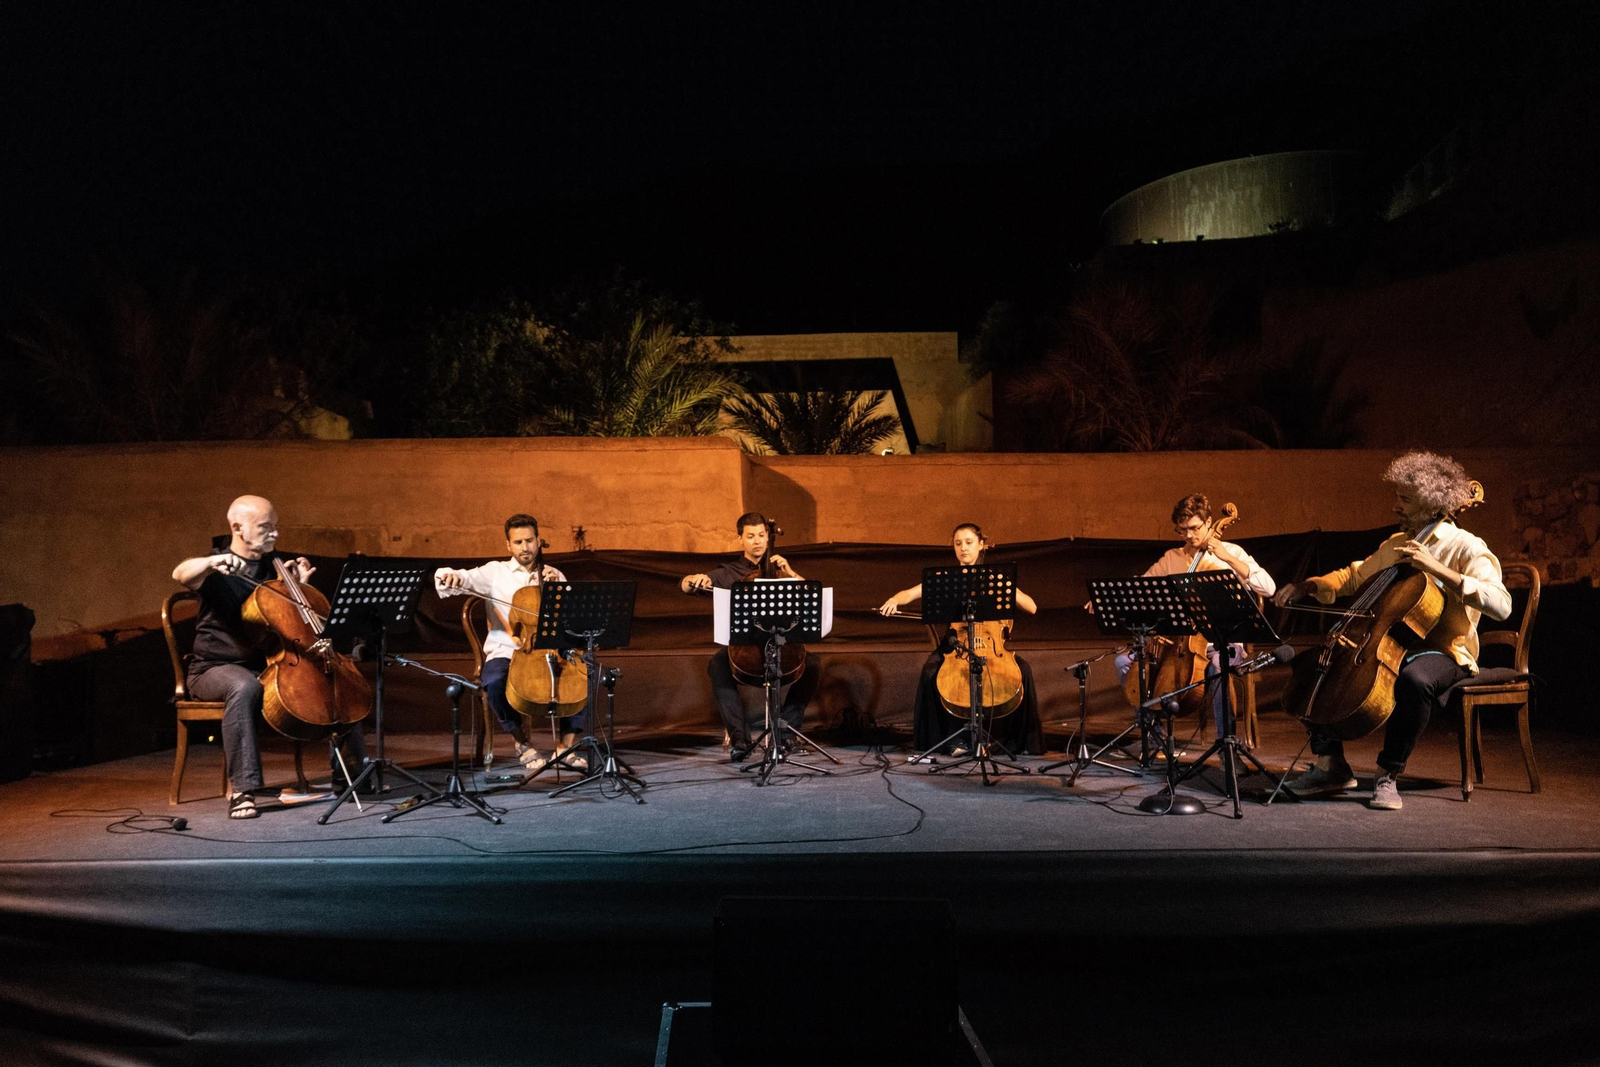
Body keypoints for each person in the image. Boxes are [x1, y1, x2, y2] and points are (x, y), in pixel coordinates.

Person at [1274, 452, 1510, 810]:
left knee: (1415, 679)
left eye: (1405, 500)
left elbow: (1502, 605)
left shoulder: (1466, 546)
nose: (1395, 506)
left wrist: (1439, 570)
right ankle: (1330, 765)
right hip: (1390, 643)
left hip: (1446, 651)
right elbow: (1354, 576)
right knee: (1314, 665)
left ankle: (1388, 773)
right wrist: (1309, 585)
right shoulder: (1397, 544)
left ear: (1433, 505)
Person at [172, 494, 367, 819]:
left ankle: (352, 775)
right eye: (265, 527)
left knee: (337, 677)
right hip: (215, 669)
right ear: (237, 527)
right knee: (244, 686)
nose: (274, 533)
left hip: (267, 665)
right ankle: (243, 789)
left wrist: (299, 589)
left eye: (275, 526)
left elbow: (290, 624)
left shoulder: (274, 568)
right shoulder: (217, 566)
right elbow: (181, 574)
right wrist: (210, 563)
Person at [1104, 494, 1276, 754]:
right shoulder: (1172, 557)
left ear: (1209, 522)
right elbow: (1144, 586)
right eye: (1182, 530)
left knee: (1219, 667)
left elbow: (1269, 588)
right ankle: (1153, 735)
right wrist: (1112, 599)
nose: (1189, 535)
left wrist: (1228, 558)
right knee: (1124, 663)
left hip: (1220, 642)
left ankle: (1226, 746)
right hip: (1178, 644)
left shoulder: (1232, 552)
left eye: (1194, 528)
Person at [878, 522, 1046, 759]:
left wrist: (1005, 586)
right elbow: (909, 593)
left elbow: (1032, 607)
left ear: (981, 545)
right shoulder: (945, 578)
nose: (963, 548)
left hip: (990, 643)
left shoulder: (995, 578)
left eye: (969, 543)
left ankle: (1010, 740)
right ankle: (951, 739)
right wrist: (895, 600)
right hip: (957, 643)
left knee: (1023, 670)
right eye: (958, 543)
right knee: (931, 672)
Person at [434, 514, 585, 773]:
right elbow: (458, 577)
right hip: (507, 650)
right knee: (494, 682)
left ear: (538, 541)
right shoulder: (495, 572)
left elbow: (569, 619)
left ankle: (566, 747)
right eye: (518, 542)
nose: (525, 547)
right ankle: (522, 743)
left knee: (583, 674)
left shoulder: (554, 574)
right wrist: (450, 577)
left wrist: (557, 590)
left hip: (550, 648)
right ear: (508, 545)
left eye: (529, 540)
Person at [681, 512, 820, 763]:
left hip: (782, 646)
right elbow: (685, 585)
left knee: (811, 664)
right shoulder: (729, 572)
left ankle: (786, 733)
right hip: (745, 648)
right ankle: (740, 740)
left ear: (768, 537)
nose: (757, 541)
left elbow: (810, 595)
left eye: (762, 535)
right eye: (751, 536)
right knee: (718, 665)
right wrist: (695, 580)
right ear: (741, 539)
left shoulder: (780, 569)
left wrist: (790, 572)